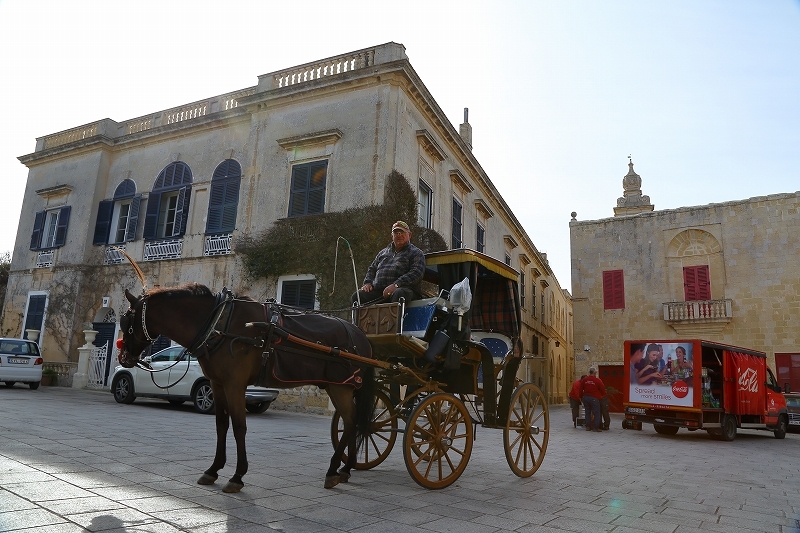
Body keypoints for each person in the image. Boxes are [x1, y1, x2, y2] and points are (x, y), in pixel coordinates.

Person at [351, 221, 426, 306]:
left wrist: (396, 285)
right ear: (392, 236)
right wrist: (367, 283)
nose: (399, 235)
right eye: (396, 233)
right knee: (357, 296)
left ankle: (395, 319)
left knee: (399, 293)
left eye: (402, 232)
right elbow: (372, 269)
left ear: (409, 235)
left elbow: (416, 273)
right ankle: (364, 319)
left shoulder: (416, 253)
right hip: (380, 292)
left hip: (404, 290)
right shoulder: (383, 253)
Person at [581, 367, 606, 432]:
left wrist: (581, 397)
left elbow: (580, 389)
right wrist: (602, 396)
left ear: (589, 372)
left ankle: (588, 426)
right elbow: (602, 389)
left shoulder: (585, 380)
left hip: (586, 398)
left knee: (587, 412)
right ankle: (595, 427)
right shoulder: (597, 380)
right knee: (596, 413)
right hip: (594, 398)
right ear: (594, 373)